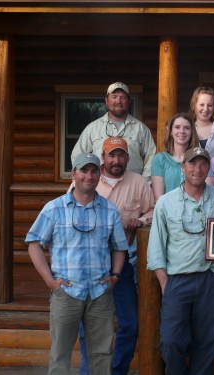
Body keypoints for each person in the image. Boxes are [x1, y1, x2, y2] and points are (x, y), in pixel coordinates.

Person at [26, 153, 128, 375]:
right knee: (60, 353)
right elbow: (34, 243)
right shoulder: (54, 208)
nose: (89, 176)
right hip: (67, 291)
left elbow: (120, 247)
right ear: (73, 174)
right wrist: (50, 282)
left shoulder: (109, 210)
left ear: (99, 174)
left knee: (102, 354)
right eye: (84, 171)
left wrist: (115, 276)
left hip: (100, 292)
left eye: (93, 171)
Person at [147, 147, 214, 374]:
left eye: (203, 164)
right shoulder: (165, 202)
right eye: (192, 163)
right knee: (171, 341)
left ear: (208, 168)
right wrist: (164, 282)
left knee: (208, 341)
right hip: (177, 280)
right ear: (183, 168)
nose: (198, 169)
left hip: (211, 279)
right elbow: (155, 248)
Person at [77, 137, 155, 375]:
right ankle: (90, 371)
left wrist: (140, 220)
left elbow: (153, 210)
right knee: (88, 325)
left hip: (123, 263)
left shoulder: (139, 182)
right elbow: (71, 208)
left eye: (121, 155)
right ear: (103, 157)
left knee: (129, 323)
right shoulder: (88, 179)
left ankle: (117, 371)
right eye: (111, 155)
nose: (116, 160)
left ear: (127, 158)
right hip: (89, 263)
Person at [71, 82, 156, 181]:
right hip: (99, 187)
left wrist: (144, 181)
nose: (118, 101)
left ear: (128, 101)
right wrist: (83, 178)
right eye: (114, 97)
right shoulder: (93, 128)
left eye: (123, 98)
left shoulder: (141, 129)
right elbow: (77, 155)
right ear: (106, 101)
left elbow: (152, 157)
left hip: (131, 187)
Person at [151, 112, 201, 200]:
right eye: (177, 127)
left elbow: (206, 192)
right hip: (168, 211)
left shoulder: (201, 159)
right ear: (171, 131)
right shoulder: (159, 159)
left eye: (186, 128)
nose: (181, 131)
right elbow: (159, 198)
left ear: (192, 132)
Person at [188, 86, 214, 158]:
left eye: (210, 105)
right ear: (194, 105)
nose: (205, 109)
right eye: (202, 105)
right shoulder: (187, 128)